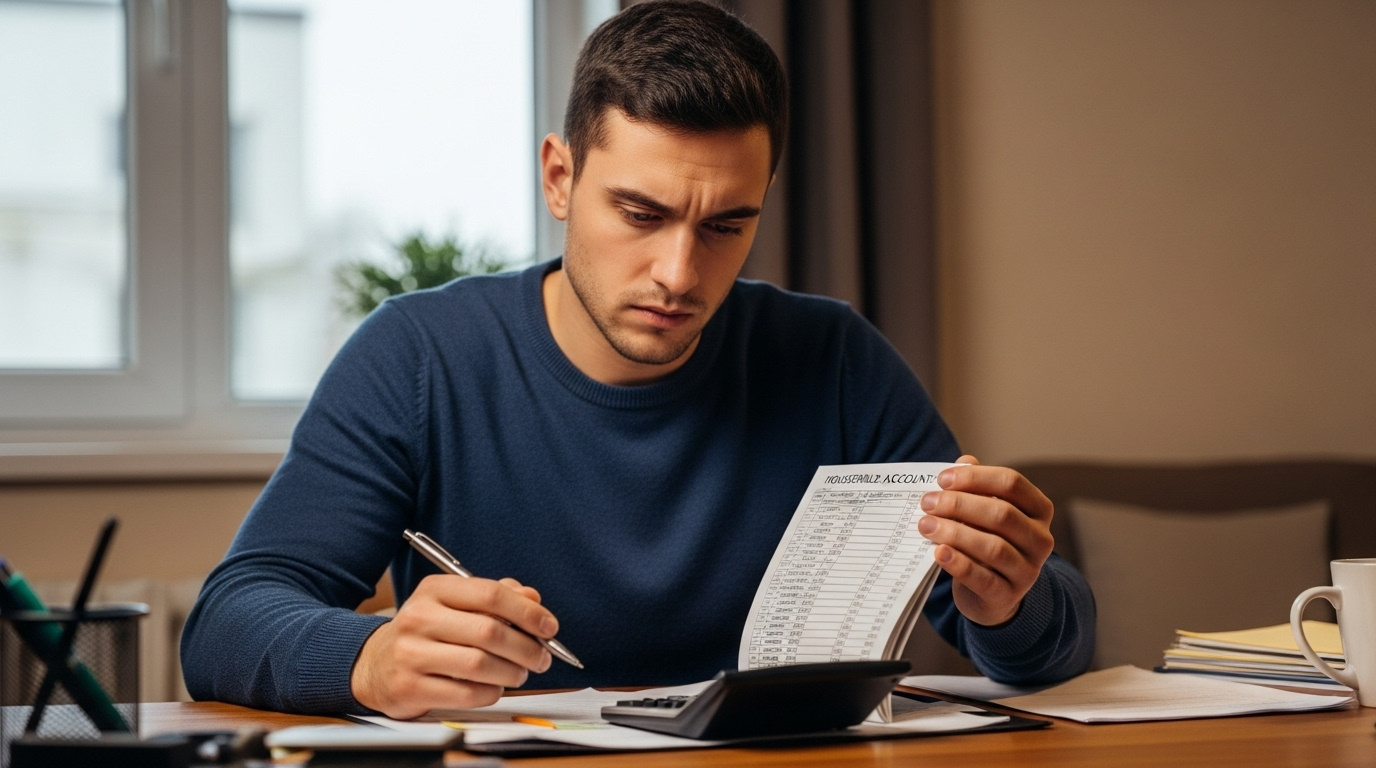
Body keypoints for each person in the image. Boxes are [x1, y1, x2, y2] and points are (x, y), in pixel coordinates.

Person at [181, 0, 1094, 719]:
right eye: (641, 215)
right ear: (559, 179)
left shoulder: (831, 357)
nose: (679, 273)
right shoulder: (419, 356)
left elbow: (1051, 652)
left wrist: (1006, 602)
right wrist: (369, 659)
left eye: (727, 225)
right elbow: (227, 621)